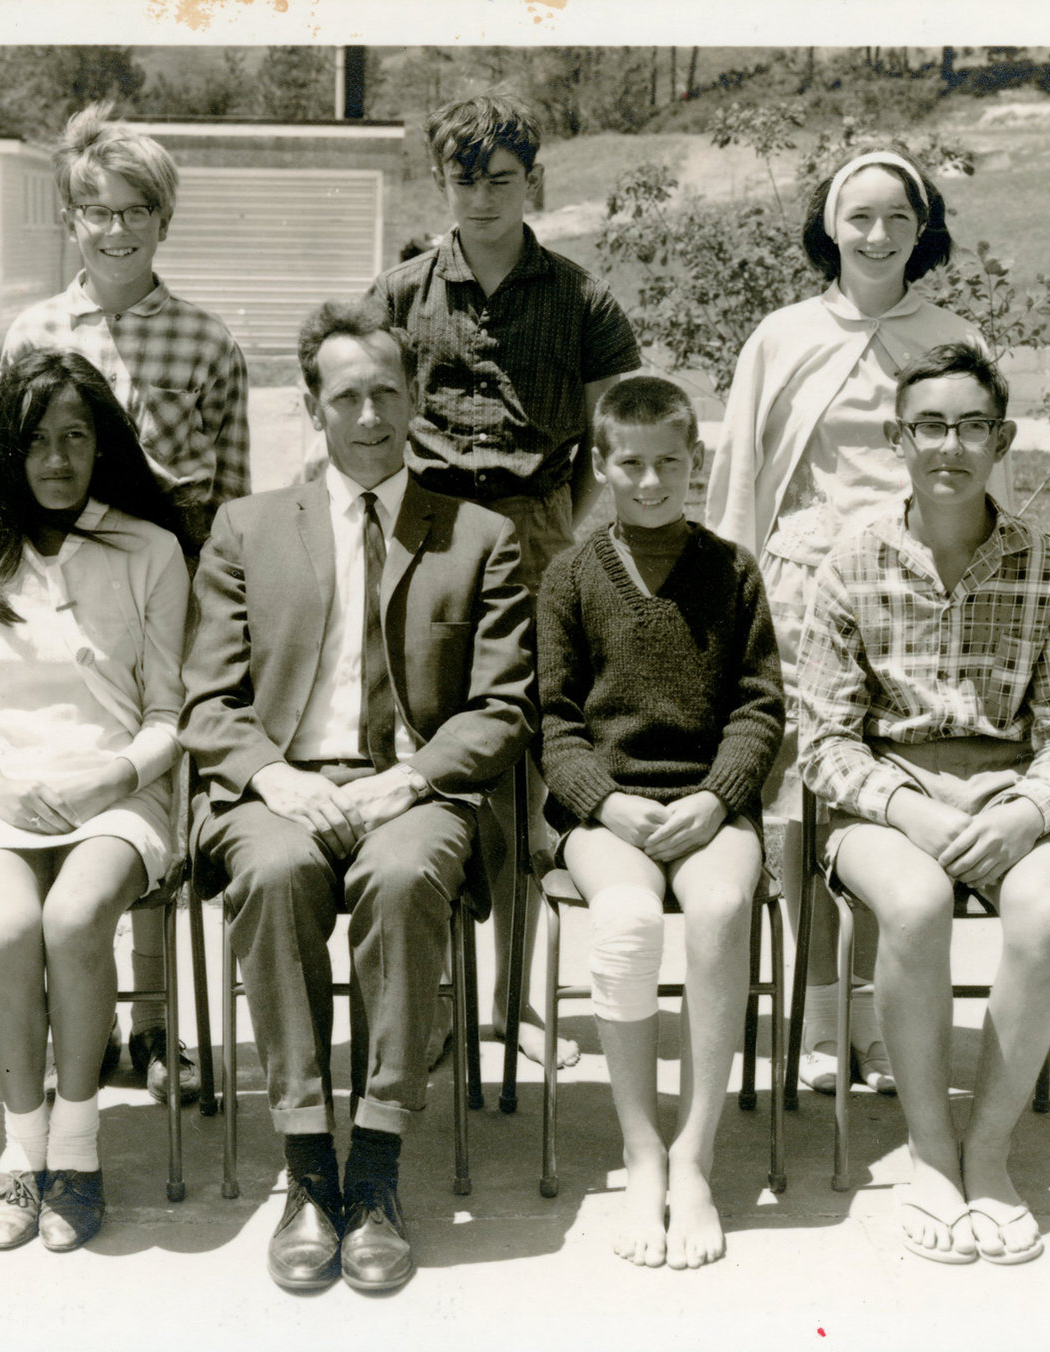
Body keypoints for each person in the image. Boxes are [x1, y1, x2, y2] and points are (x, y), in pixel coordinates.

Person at [181, 299, 535, 1293]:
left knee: (402, 872)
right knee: (279, 866)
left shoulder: (477, 536)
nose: (370, 414)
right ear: (312, 406)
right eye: (347, 396)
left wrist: (407, 781)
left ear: (416, 397)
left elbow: (499, 709)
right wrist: (280, 778)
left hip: (415, 786)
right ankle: (305, 1168)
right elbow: (208, 702)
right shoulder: (246, 529)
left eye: (388, 391)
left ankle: (375, 1166)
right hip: (281, 783)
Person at [797, 341, 1050, 1266]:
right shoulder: (849, 567)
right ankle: (931, 1152)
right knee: (917, 900)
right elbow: (819, 738)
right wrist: (908, 809)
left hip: (1011, 786)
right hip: (887, 799)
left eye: (972, 427)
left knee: (1049, 908)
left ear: (1001, 439)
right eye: (928, 425)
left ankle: (989, 1152)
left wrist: (1026, 810)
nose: (950, 447)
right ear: (896, 437)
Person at [701, 145, 984, 1097]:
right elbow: (741, 476)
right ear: (827, 225)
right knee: (804, 795)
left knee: (887, 792)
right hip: (804, 587)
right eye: (856, 216)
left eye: (895, 218)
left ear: (921, 228)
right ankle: (815, 1012)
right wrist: (725, 594)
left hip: (917, 589)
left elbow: (982, 477)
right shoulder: (781, 336)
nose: (875, 235)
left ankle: (874, 1016)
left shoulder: (952, 335)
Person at [372, 89, 642, 1069]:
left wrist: (568, 532)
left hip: (535, 533)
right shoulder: (398, 295)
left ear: (532, 180)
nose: (481, 199)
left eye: (500, 179)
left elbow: (620, 445)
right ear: (437, 182)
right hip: (429, 534)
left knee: (525, 767)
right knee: (437, 759)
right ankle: (437, 996)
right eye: (462, 179)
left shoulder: (581, 299)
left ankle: (518, 1001)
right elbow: (359, 427)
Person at [0, 352, 188, 1252]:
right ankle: (20, 1147)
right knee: (0, 929)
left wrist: (116, 776)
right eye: (36, 440)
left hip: (117, 790)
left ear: (104, 444)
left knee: (73, 919)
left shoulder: (149, 548)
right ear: (5, 446)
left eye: (77, 437)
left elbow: (170, 710)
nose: (58, 459)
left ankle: (78, 1144)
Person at [3, 102, 252, 1099]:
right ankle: (90, 1025)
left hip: (171, 593)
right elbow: (14, 477)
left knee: (155, 803)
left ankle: (156, 1027)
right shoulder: (36, 330)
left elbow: (233, 498)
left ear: (163, 216)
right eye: (96, 210)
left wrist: (227, 621)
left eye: (135, 209)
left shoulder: (205, 339)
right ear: (70, 218)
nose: (116, 229)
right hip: (66, 599)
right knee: (75, 783)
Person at [539, 376, 783, 1270]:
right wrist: (601, 800)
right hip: (606, 806)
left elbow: (759, 707)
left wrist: (719, 796)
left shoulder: (731, 571)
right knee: (630, 919)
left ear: (696, 463)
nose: (649, 483)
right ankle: (641, 1147)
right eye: (629, 465)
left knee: (719, 910)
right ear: (600, 466)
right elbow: (554, 719)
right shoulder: (570, 573)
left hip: (709, 802)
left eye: (667, 464)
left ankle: (697, 1151)